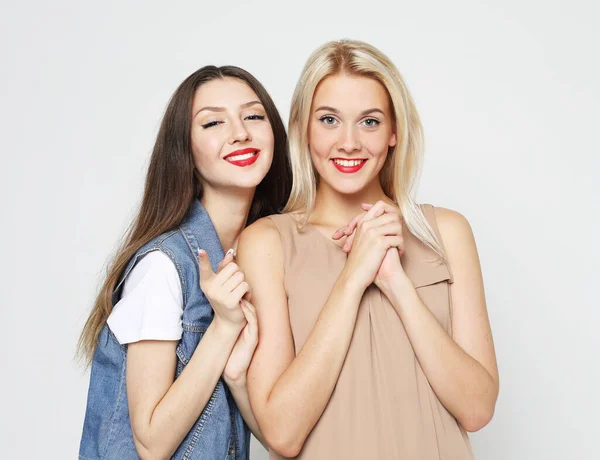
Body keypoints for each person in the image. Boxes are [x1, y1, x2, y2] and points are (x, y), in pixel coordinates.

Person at [237, 40, 499, 459]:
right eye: (329, 120)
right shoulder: (267, 242)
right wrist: (354, 275)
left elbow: (477, 409)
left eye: (370, 122)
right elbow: (282, 433)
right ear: (304, 128)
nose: (349, 142)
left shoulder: (447, 232)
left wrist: (397, 284)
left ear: (395, 131)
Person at [77, 65, 291, 460]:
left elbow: (282, 442)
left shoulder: (260, 256)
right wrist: (224, 328)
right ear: (186, 153)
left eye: (253, 115)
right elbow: (152, 443)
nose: (240, 132)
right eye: (212, 123)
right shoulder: (163, 266)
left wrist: (240, 378)